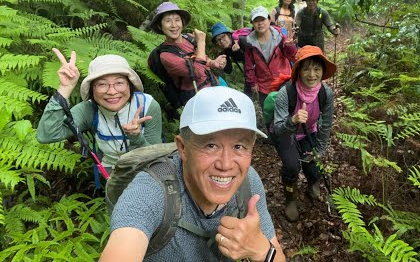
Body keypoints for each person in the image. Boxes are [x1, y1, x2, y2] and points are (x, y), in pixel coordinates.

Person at [99, 86, 286, 262]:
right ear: (182, 148)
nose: (226, 164)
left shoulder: (248, 181)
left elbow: (275, 252)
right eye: (210, 145)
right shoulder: (151, 191)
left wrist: (262, 250)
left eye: (239, 146)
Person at [37, 49, 163, 171]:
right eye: (102, 84)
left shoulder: (147, 106)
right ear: (92, 89)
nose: (112, 92)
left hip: (147, 171)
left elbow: (154, 158)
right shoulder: (89, 109)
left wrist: (136, 137)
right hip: (112, 172)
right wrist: (65, 88)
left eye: (119, 82)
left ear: (129, 85)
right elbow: (47, 135)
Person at [271, 45, 336, 222]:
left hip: (310, 132)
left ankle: (312, 182)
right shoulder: (287, 92)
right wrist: (292, 120)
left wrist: (320, 151)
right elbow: (277, 128)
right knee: (292, 166)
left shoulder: (326, 93)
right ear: (298, 71)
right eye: (306, 68)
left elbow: (326, 125)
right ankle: (290, 197)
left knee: (313, 165)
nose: (311, 74)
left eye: (316, 69)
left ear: (323, 71)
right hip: (287, 133)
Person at [148, 2, 226, 107]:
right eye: (168, 21)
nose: (174, 25)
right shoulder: (166, 55)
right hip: (198, 98)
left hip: (215, 82)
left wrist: (213, 63)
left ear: (182, 22)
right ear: (160, 26)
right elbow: (197, 72)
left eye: (177, 20)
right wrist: (201, 42)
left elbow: (202, 58)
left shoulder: (189, 37)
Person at [244, 6, 297, 107]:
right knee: (268, 114)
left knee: (286, 110)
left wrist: (290, 46)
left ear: (269, 20)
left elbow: (292, 57)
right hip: (264, 86)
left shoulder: (280, 37)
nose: (260, 23)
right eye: (256, 21)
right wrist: (253, 83)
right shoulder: (249, 43)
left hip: (284, 81)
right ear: (252, 24)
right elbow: (249, 66)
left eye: (263, 19)